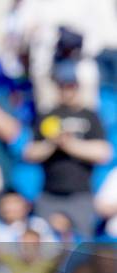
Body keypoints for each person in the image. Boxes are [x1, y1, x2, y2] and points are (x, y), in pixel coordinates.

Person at [24, 60, 112, 238]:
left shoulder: (90, 115)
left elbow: (104, 152)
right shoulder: (47, 115)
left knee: (83, 249)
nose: (67, 90)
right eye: (62, 85)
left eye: (71, 85)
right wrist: (53, 143)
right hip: (50, 194)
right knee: (46, 247)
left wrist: (70, 144)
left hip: (80, 195)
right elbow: (30, 152)